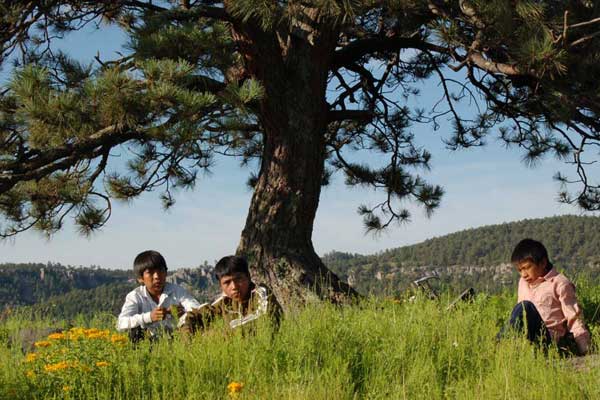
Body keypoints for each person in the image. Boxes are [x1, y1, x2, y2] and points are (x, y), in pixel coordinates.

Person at [498, 239, 591, 355]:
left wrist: (585, 349)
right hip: (526, 340)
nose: (523, 274)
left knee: (525, 307)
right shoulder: (522, 283)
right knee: (520, 310)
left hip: (548, 341)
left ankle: (497, 347)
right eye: (520, 270)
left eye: (527, 268)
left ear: (543, 263)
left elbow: (574, 318)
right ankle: (501, 349)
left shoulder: (560, 283)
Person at [179, 255, 281, 335]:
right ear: (221, 286)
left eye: (239, 279)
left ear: (248, 277)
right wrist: (188, 340)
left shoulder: (261, 293)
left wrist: (219, 336)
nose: (234, 286)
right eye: (227, 283)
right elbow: (188, 317)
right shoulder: (224, 302)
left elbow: (264, 320)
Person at [117, 250, 202, 342]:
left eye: (161, 271)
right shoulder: (135, 296)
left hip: (177, 340)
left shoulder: (177, 291)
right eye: (150, 273)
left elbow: (198, 309)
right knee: (134, 332)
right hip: (147, 343)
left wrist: (183, 314)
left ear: (166, 273)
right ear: (140, 278)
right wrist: (149, 317)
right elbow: (121, 324)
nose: (157, 276)